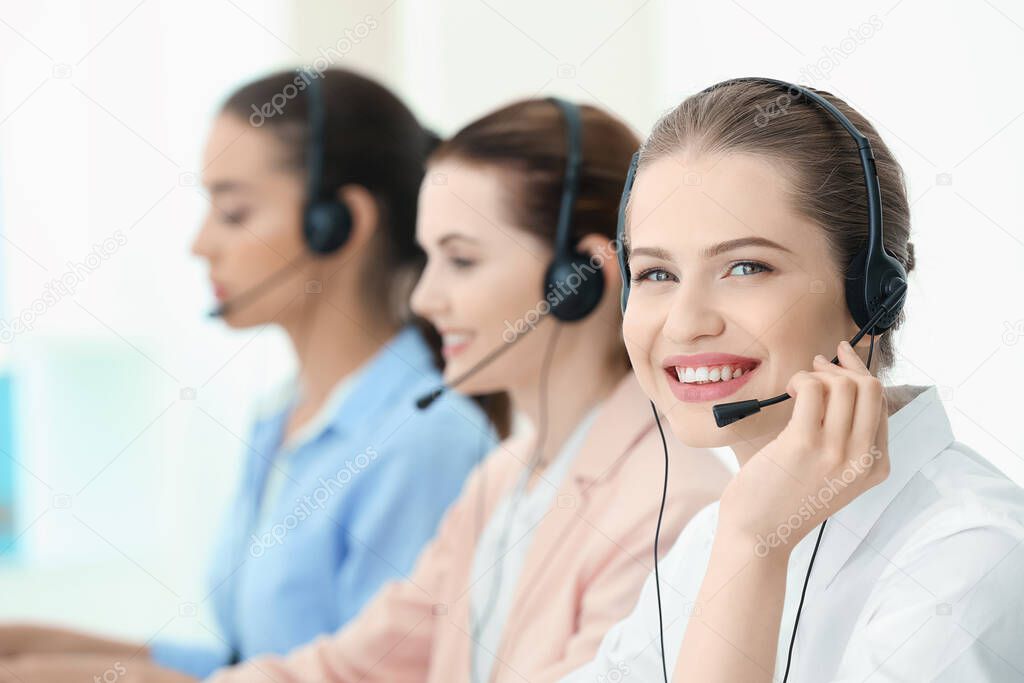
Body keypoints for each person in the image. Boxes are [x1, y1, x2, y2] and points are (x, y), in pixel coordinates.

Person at [203, 98, 731, 682]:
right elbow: (352, 668)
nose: (424, 299)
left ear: (576, 280)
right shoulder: (502, 479)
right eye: (428, 259)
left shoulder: (669, 505)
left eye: (460, 260)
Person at [0, 69, 496, 681]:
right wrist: (24, 648)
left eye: (234, 212)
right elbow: (249, 662)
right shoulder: (282, 416)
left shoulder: (423, 441)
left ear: (336, 223)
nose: (201, 244)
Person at [564, 78, 1024, 682]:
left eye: (746, 267)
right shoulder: (711, 539)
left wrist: (753, 550)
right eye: (655, 273)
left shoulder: (973, 558)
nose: (685, 322)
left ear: (872, 294)